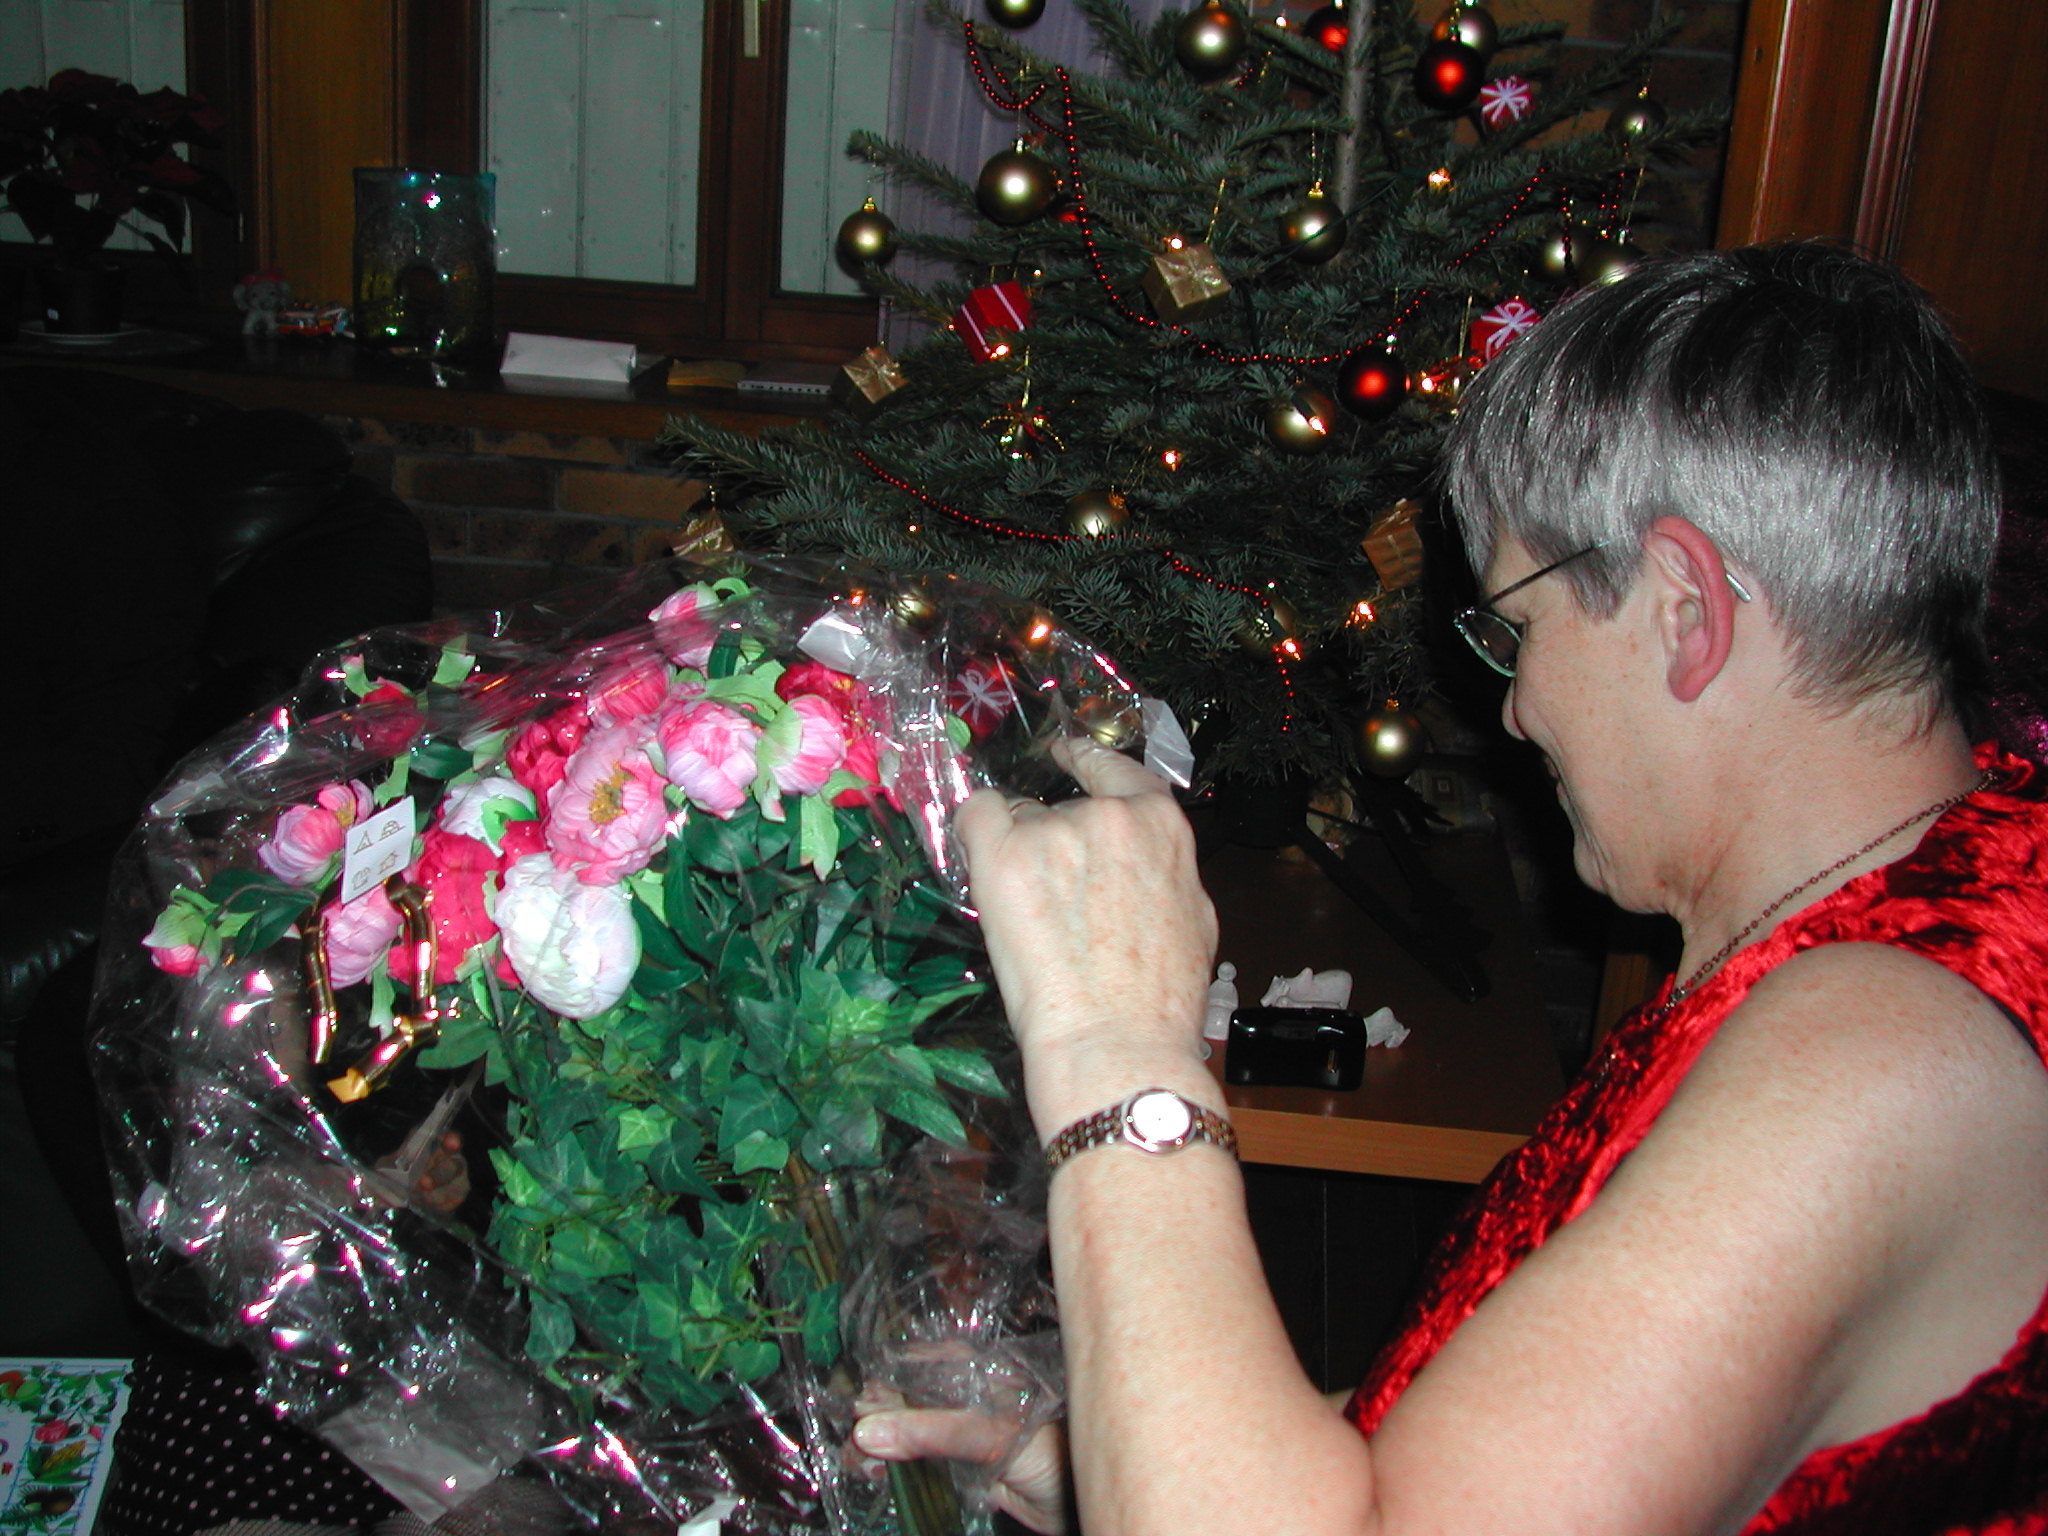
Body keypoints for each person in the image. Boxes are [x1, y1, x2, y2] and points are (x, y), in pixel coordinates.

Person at [852, 244, 2048, 1533]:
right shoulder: (1890, 937)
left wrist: (1116, 1052)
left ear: (1684, 610)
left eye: (1520, 631)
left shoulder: (1879, 1049)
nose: (1516, 711)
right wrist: (1113, 1464)